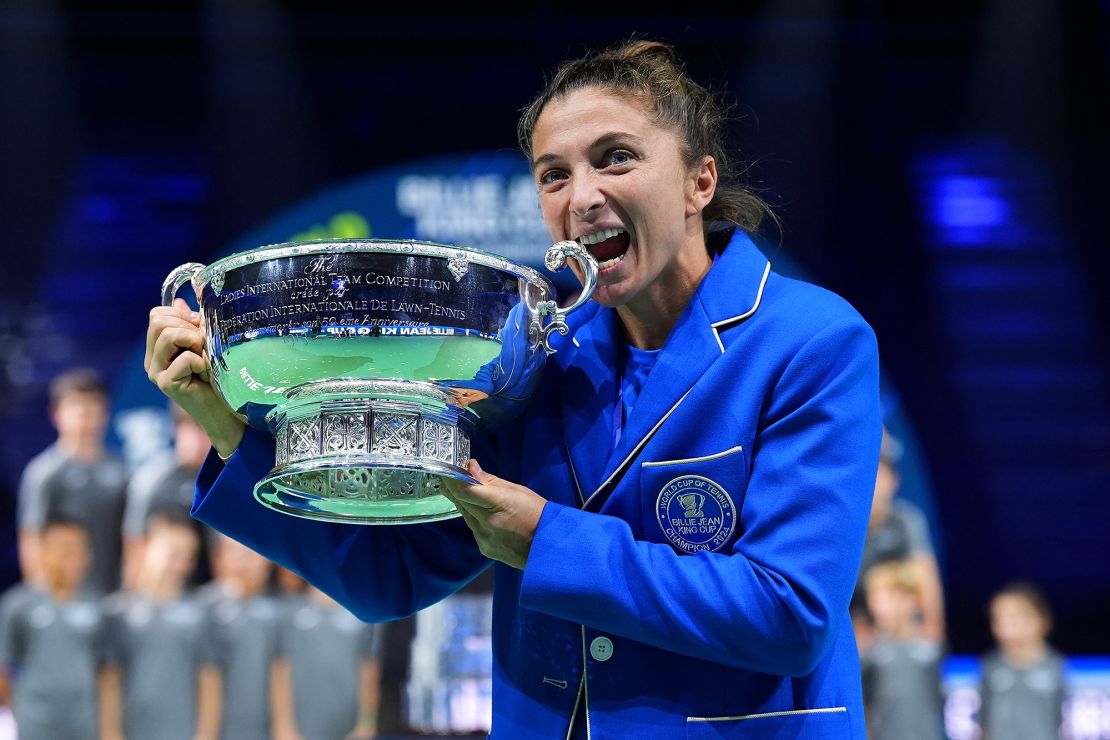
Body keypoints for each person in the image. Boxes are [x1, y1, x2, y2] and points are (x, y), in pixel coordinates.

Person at [146, 39, 881, 738]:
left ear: (700, 182)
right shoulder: (533, 358)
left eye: (616, 158)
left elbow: (791, 615)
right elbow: (386, 579)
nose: (583, 196)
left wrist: (545, 543)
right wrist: (220, 418)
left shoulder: (811, 341)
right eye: (553, 174)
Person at [100, 508, 220, 740]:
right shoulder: (118, 612)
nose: (181, 564)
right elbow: (110, 679)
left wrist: (205, 733)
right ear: (146, 546)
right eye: (173, 553)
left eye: (188, 556)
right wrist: (111, 732)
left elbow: (209, 677)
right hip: (132, 730)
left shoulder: (199, 614)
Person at [17, 368, 127, 595]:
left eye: (93, 405)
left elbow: (132, 539)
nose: (86, 413)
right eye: (77, 405)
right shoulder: (44, 473)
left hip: (111, 599)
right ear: (56, 413)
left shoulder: (122, 470)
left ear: (105, 413)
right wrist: (45, 601)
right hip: (64, 598)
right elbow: (32, 539)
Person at [0, 517, 105, 740]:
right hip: (36, 725)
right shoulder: (18, 605)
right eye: (65, 550)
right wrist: (20, 710)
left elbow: (104, 670)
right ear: (44, 552)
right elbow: (4, 668)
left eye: (80, 550)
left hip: (84, 725)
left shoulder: (96, 606)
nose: (74, 559)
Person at [856, 427, 946, 642]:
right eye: (870, 475)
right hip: (851, 619)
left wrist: (933, 632)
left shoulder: (906, 520)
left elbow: (927, 576)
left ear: (895, 481)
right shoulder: (842, 525)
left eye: (881, 476)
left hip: (894, 624)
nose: (875, 485)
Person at [271, 579, 383, 740]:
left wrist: (365, 724)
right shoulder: (290, 612)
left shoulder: (362, 615)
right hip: (301, 729)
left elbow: (368, 671)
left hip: (347, 729)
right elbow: (280, 671)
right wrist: (283, 727)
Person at [197, 533, 281, 740]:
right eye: (239, 552)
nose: (248, 560)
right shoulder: (200, 610)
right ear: (218, 558)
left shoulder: (279, 612)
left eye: (255, 553)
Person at [122, 401, 214, 588]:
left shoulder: (227, 479)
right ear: (175, 430)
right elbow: (135, 545)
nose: (199, 439)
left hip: (216, 596)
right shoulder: (152, 480)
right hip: (166, 593)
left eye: (206, 430)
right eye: (192, 428)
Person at [859, 560, 945, 740]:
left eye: (888, 597)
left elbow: (926, 572)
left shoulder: (931, 647)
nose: (879, 606)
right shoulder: (870, 653)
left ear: (911, 599)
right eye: (874, 598)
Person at [979, 582, 1066, 740]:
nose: (1004, 626)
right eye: (998, 619)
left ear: (1041, 620)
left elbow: (1062, 722)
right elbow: (984, 723)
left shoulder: (1056, 666)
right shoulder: (991, 666)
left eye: (1014, 618)